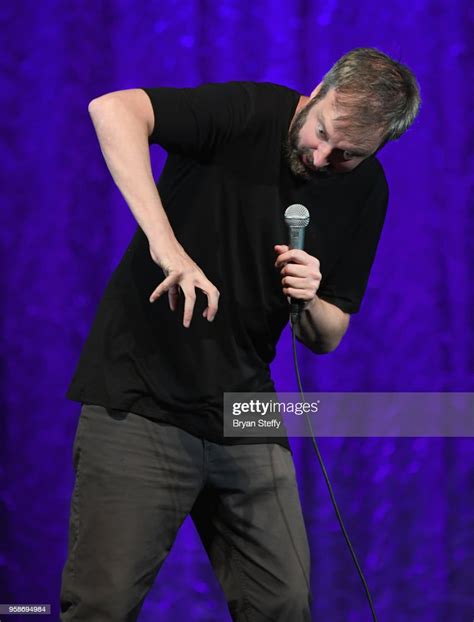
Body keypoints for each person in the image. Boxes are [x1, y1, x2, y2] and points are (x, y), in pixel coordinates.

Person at [60, 47, 420, 621]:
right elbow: (114, 110)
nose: (322, 156)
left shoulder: (365, 190)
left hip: (246, 407)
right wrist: (165, 244)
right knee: (102, 603)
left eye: (347, 154)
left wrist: (311, 297)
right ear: (319, 90)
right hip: (142, 395)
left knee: (283, 600)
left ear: (379, 148)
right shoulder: (248, 112)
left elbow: (327, 336)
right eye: (322, 133)